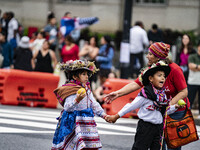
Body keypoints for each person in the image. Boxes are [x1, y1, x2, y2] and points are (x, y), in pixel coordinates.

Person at [105, 42, 190, 150]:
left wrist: (168, 105)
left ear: (158, 56)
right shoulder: (150, 71)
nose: (147, 56)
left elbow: (184, 91)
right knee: (160, 145)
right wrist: (118, 93)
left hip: (175, 111)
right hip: (160, 113)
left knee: (174, 146)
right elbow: (135, 84)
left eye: (150, 54)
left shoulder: (175, 69)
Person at [51, 60, 107, 150]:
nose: (87, 77)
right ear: (75, 76)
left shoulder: (86, 88)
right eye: (83, 74)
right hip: (73, 122)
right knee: (72, 146)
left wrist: (104, 115)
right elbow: (67, 108)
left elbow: (93, 103)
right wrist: (77, 100)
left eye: (87, 74)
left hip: (86, 121)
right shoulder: (70, 89)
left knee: (87, 146)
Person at [187, 42, 200, 118]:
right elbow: (190, 66)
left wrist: (196, 67)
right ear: (198, 47)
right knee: (189, 100)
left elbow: (194, 66)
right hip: (192, 81)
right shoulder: (192, 56)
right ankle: (187, 114)